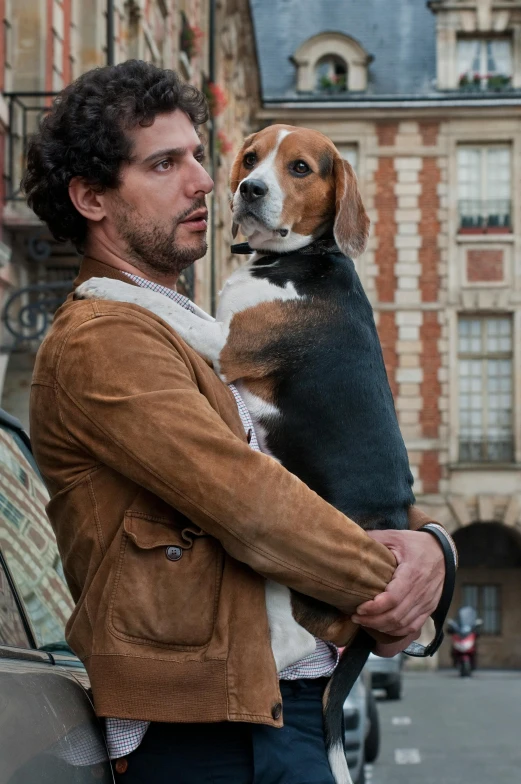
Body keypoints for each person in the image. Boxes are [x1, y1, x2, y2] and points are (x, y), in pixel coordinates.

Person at [25, 60, 452, 784]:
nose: (203, 181)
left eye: (198, 155)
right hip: (209, 736)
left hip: (269, 714)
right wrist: (399, 582)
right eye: (164, 163)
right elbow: (250, 502)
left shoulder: (187, 321)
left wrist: (431, 548)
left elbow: (316, 459)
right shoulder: (106, 336)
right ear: (92, 198)